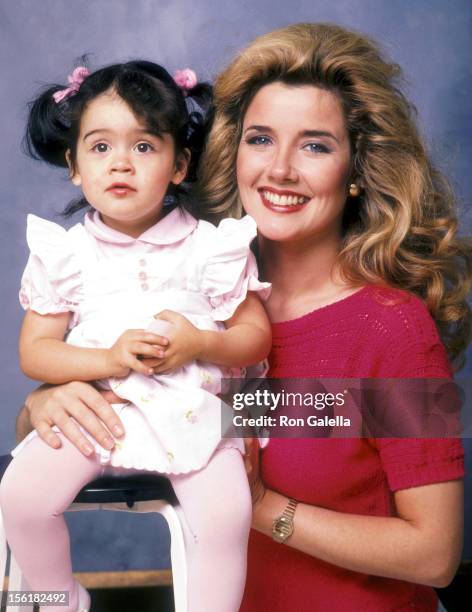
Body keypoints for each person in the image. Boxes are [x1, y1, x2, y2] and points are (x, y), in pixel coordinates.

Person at [13, 22, 471, 611]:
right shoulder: (194, 294)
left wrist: (262, 510)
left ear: (355, 171)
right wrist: (42, 405)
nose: (279, 169)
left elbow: (435, 554)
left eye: (315, 145)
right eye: (260, 139)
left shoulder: (395, 327)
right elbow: (127, 428)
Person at [0, 60, 272, 612]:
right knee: (21, 498)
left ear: (179, 165)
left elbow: (254, 338)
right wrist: (108, 357)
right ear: (75, 165)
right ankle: (59, 601)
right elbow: (36, 352)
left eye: (144, 147)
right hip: (98, 413)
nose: (121, 163)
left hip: (195, 416)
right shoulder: (67, 255)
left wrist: (202, 344)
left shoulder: (209, 248)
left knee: (227, 516)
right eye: (100, 148)